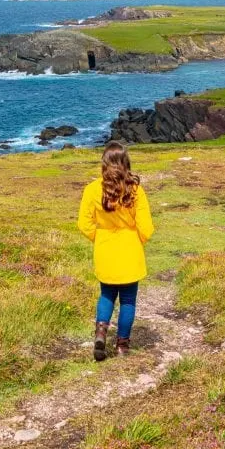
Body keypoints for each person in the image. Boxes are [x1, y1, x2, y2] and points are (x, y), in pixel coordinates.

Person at [77, 141, 154, 361]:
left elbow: (84, 223)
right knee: (128, 300)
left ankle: (101, 333)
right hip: (129, 249)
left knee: (106, 294)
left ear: (104, 163)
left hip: (105, 249)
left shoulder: (92, 190)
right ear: (125, 162)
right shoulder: (135, 190)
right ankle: (122, 345)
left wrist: (99, 236)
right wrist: (138, 239)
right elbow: (146, 227)